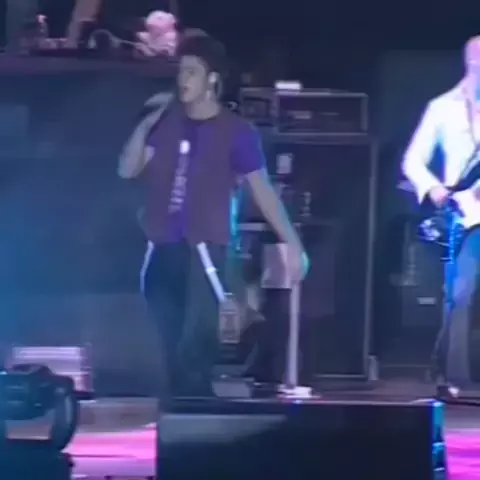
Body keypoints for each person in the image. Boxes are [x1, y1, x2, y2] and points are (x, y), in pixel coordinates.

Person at [118, 31, 309, 400]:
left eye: (191, 71)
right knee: (169, 349)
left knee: (195, 349)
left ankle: (197, 414)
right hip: (162, 249)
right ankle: (182, 415)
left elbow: (262, 191)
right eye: (180, 70)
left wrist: (292, 242)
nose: (182, 79)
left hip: (205, 253)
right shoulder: (166, 122)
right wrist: (145, 123)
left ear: (212, 80)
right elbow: (127, 169)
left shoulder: (236, 132)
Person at [402, 36, 480, 390]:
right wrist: (433, 188)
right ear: (471, 62)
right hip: (467, 216)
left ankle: (444, 369)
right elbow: (412, 160)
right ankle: (456, 379)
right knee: (461, 295)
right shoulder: (443, 108)